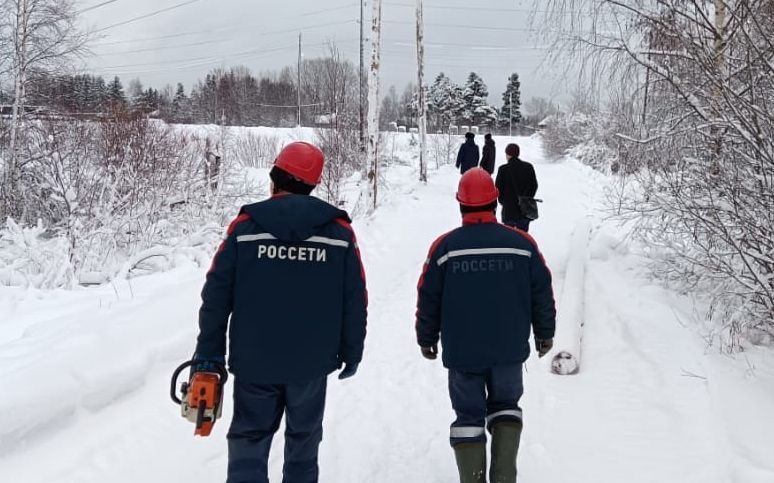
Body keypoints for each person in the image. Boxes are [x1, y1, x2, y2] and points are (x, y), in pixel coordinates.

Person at [193, 141, 368, 483]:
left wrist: (208, 355)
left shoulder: (244, 227)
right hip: (311, 364)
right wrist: (352, 351)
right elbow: (354, 297)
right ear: (313, 184)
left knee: (248, 440)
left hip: (253, 362)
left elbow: (216, 295)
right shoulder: (339, 233)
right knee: (303, 442)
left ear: (274, 178)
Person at [415, 168, 556, 483]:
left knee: (468, 417)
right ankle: (504, 477)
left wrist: (426, 337)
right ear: (495, 202)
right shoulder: (522, 244)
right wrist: (545, 332)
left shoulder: (445, 248)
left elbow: (428, 296)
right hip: (508, 350)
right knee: (506, 407)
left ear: (461, 205)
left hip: (462, 354)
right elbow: (542, 291)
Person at [495, 143, 538, 232]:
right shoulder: (528, 167)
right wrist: (527, 198)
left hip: (508, 209)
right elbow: (534, 185)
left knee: (509, 238)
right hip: (524, 210)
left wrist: (503, 201)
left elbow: (497, 188)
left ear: (507, 154)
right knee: (523, 236)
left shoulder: (503, 169)